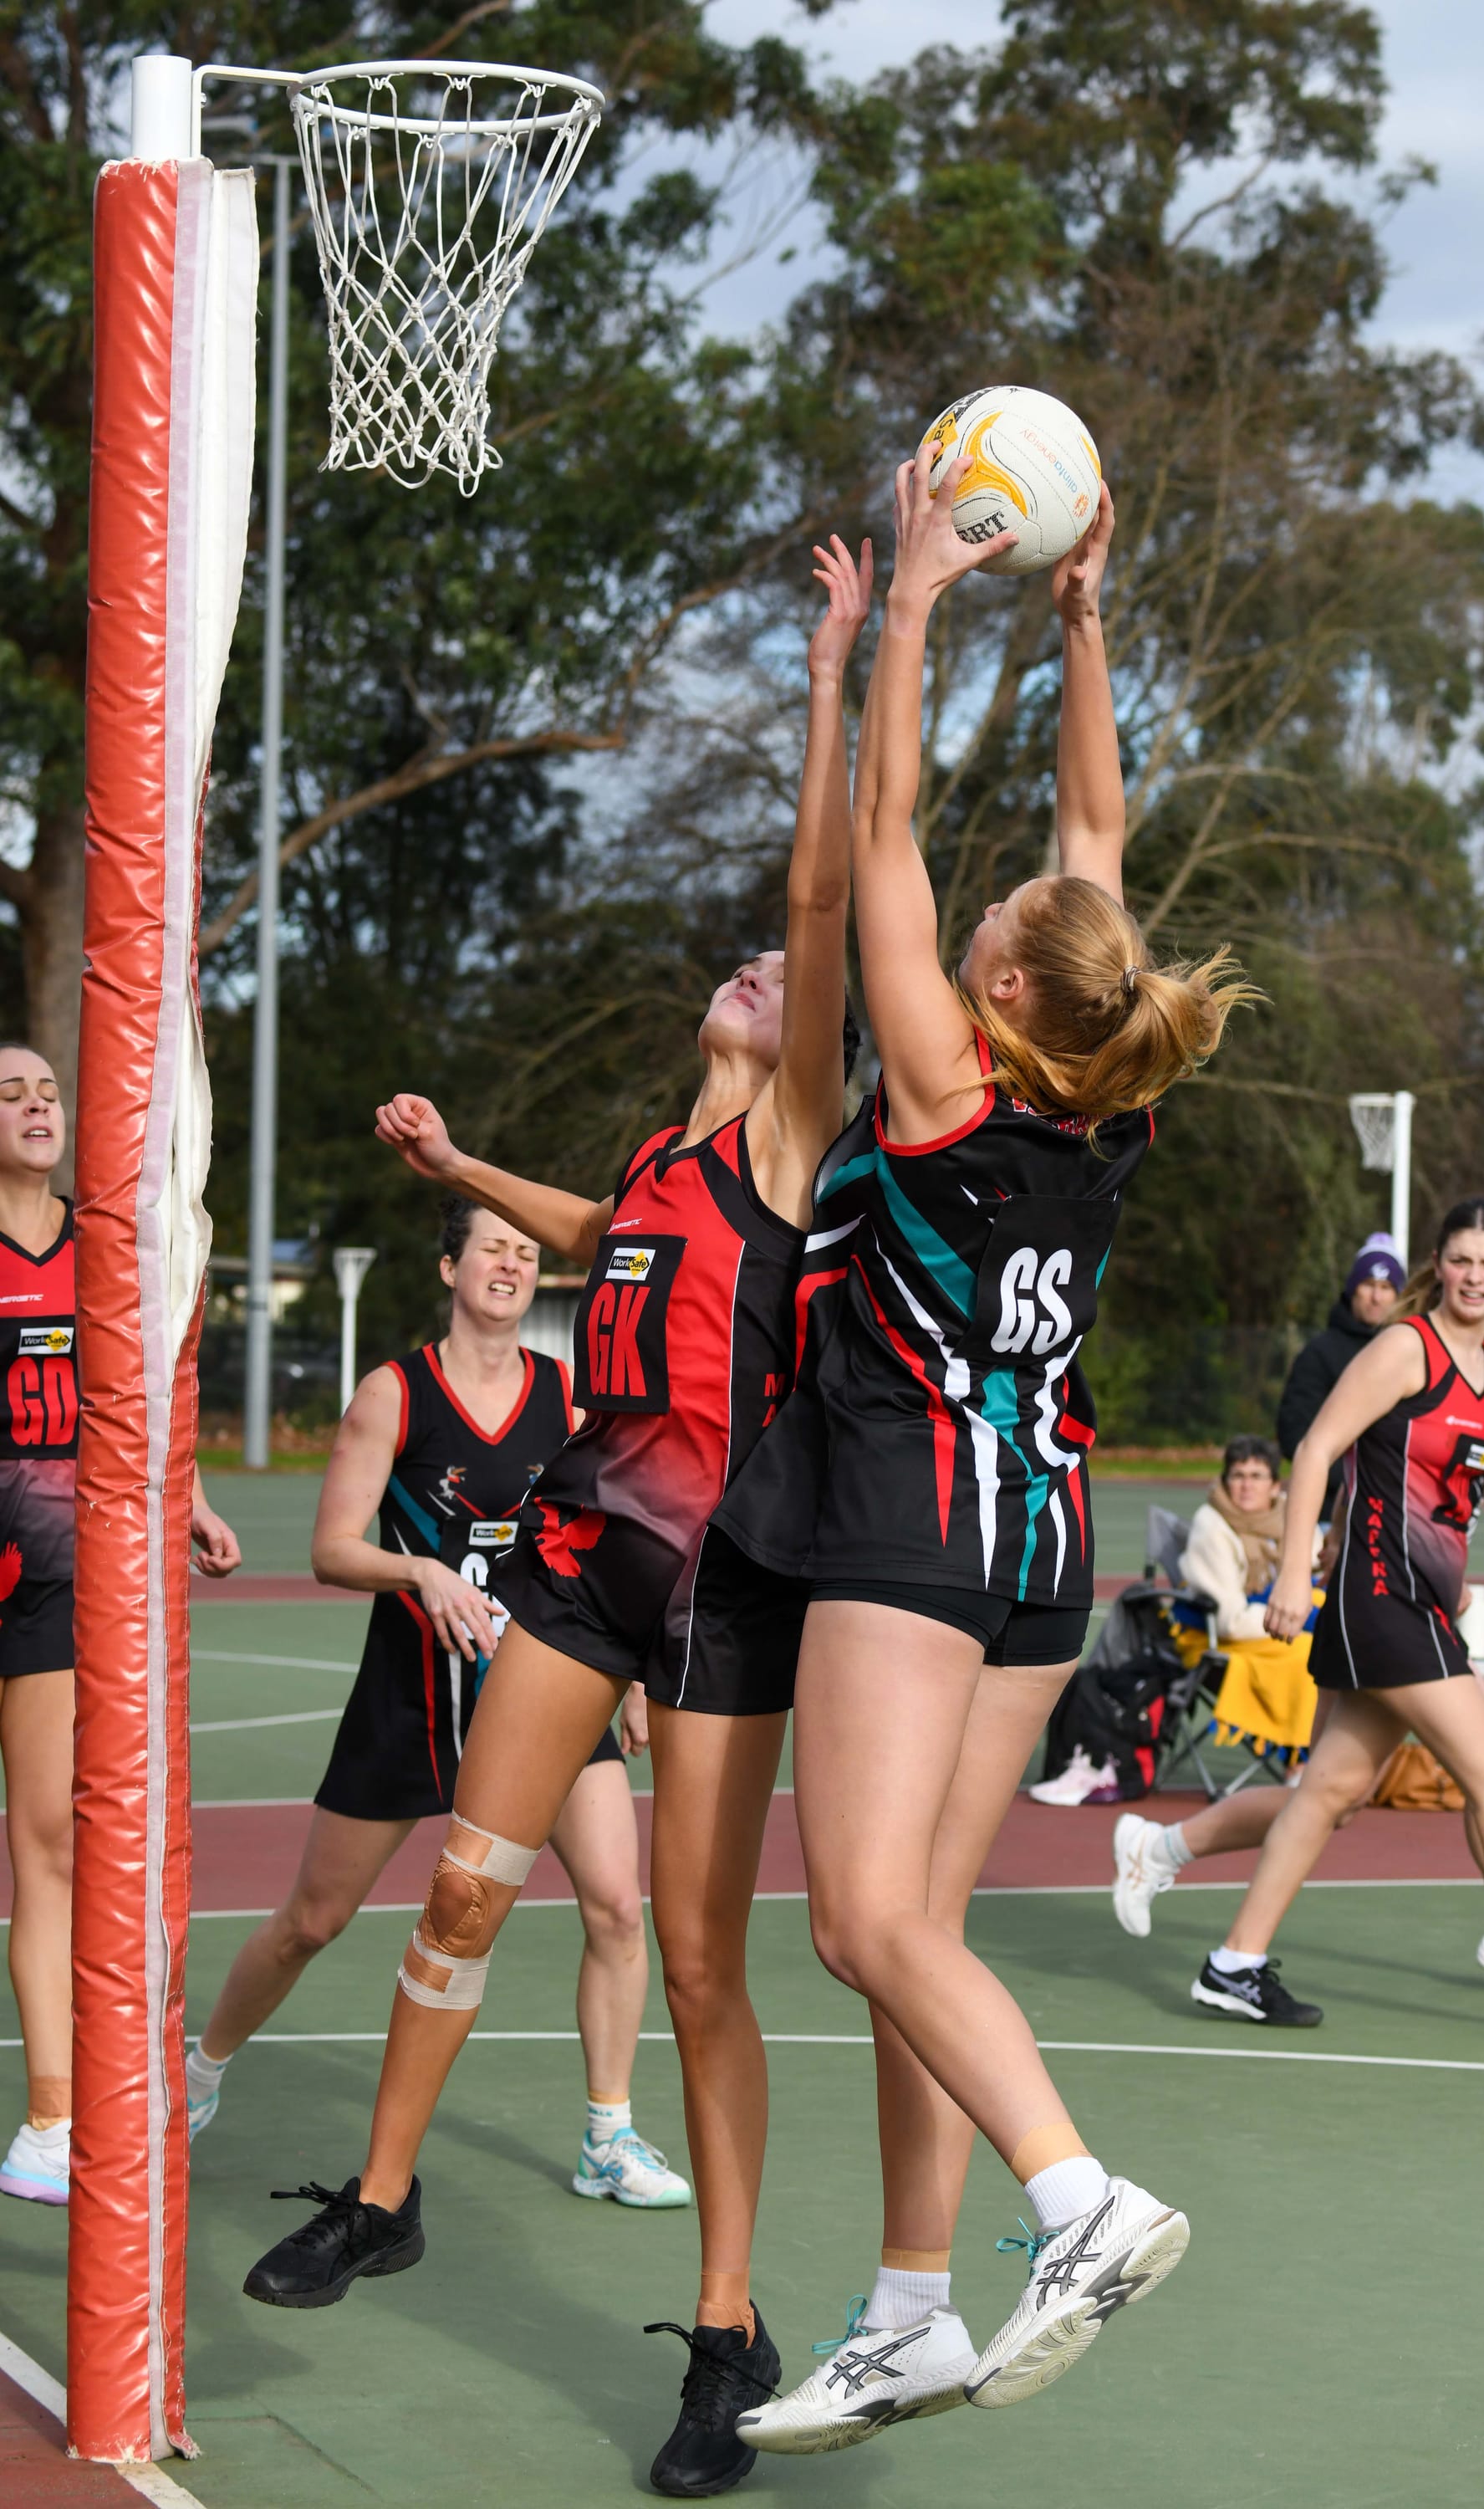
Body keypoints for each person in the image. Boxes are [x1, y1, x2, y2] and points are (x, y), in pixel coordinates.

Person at [242, 534, 871, 2501]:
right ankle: (387, 2189)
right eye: (752, 972)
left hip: (720, 1589)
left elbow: (816, 890)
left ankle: (728, 2321)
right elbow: (603, 1240)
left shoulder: (790, 1126)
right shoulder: (669, 1145)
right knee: (459, 1881)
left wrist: (837, 668)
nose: (756, 970)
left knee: (692, 1961)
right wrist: (456, 1159)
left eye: (780, 976)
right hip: (581, 1560)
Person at [714, 455, 1254, 2457]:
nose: (1023, 888)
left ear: (998, 987)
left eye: (1009, 916)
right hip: (1037, 1537)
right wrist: (1083, 614)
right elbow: (1093, 825)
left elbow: (882, 831)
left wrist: (922, 617)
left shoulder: (943, 1081)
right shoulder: (1098, 1098)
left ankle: (1075, 2196)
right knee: (912, 1941)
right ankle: (912, 2308)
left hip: (910, 1527)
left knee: (859, 1924)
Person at [185, 1197, 686, 2205]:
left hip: (550, 1684)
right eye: (491, 1248)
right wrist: (422, 1574)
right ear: (449, 1267)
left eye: (523, 1253)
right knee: (312, 1920)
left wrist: (632, 1677)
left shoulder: (570, 1399)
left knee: (618, 1910)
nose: (508, 1262)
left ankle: (608, 2133)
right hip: (412, 1693)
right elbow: (332, 1548)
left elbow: (614, 1547)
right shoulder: (394, 1392)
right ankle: (195, 2074)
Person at [1187, 1198, 1484, 2038]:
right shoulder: (1404, 1350)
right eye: (1460, 1261)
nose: (1474, 1277)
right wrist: (1296, 1575)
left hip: (1421, 1607)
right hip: (1377, 1594)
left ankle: (1232, 1964)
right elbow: (1314, 1449)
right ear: (1437, 1266)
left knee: (1330, 1789)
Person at [0, 1044, 240, 2205]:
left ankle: (51, 2116)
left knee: (53, 1844)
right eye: (11, 1092)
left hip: (55, 1583)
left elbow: (129, 1404)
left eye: (48, 1089)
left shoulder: (100, 1255)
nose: (39, 1104)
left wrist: (184, 1495)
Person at [1114, 1398, 1484, 2001]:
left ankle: (1166, 1854)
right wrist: (1320, 1567)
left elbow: (1477, 1504)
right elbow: (1334, 1468)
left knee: (1338, 1797)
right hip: (1382, 1619)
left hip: (1412, 1617)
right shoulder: (1410, 1381)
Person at [1277, 1233, 1406, 1512]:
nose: (1376, 1297)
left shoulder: (1412, 1356)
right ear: (1352, 1290)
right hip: (1326, 1510)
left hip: (1395, 1512)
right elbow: (1294, 1432)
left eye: (1386, 1287)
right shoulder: (1319, 1353)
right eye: (1369, 1285)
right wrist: (1351, 1482)